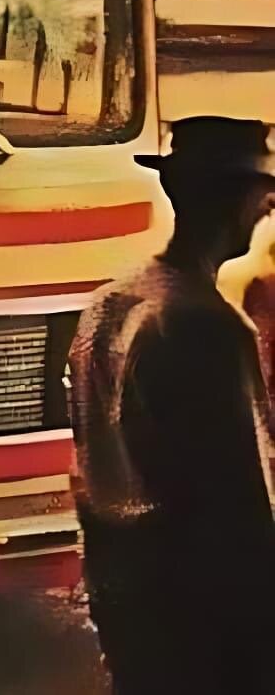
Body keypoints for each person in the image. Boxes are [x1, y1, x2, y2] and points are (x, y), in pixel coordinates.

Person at [68, 116, 275, 695]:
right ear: (236, 202)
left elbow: (88, 465)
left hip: (128, 594)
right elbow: (235, 505)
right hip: (201, 612)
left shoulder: (108, 305)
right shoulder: (201, 323)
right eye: (262, 194)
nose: (269, 207)